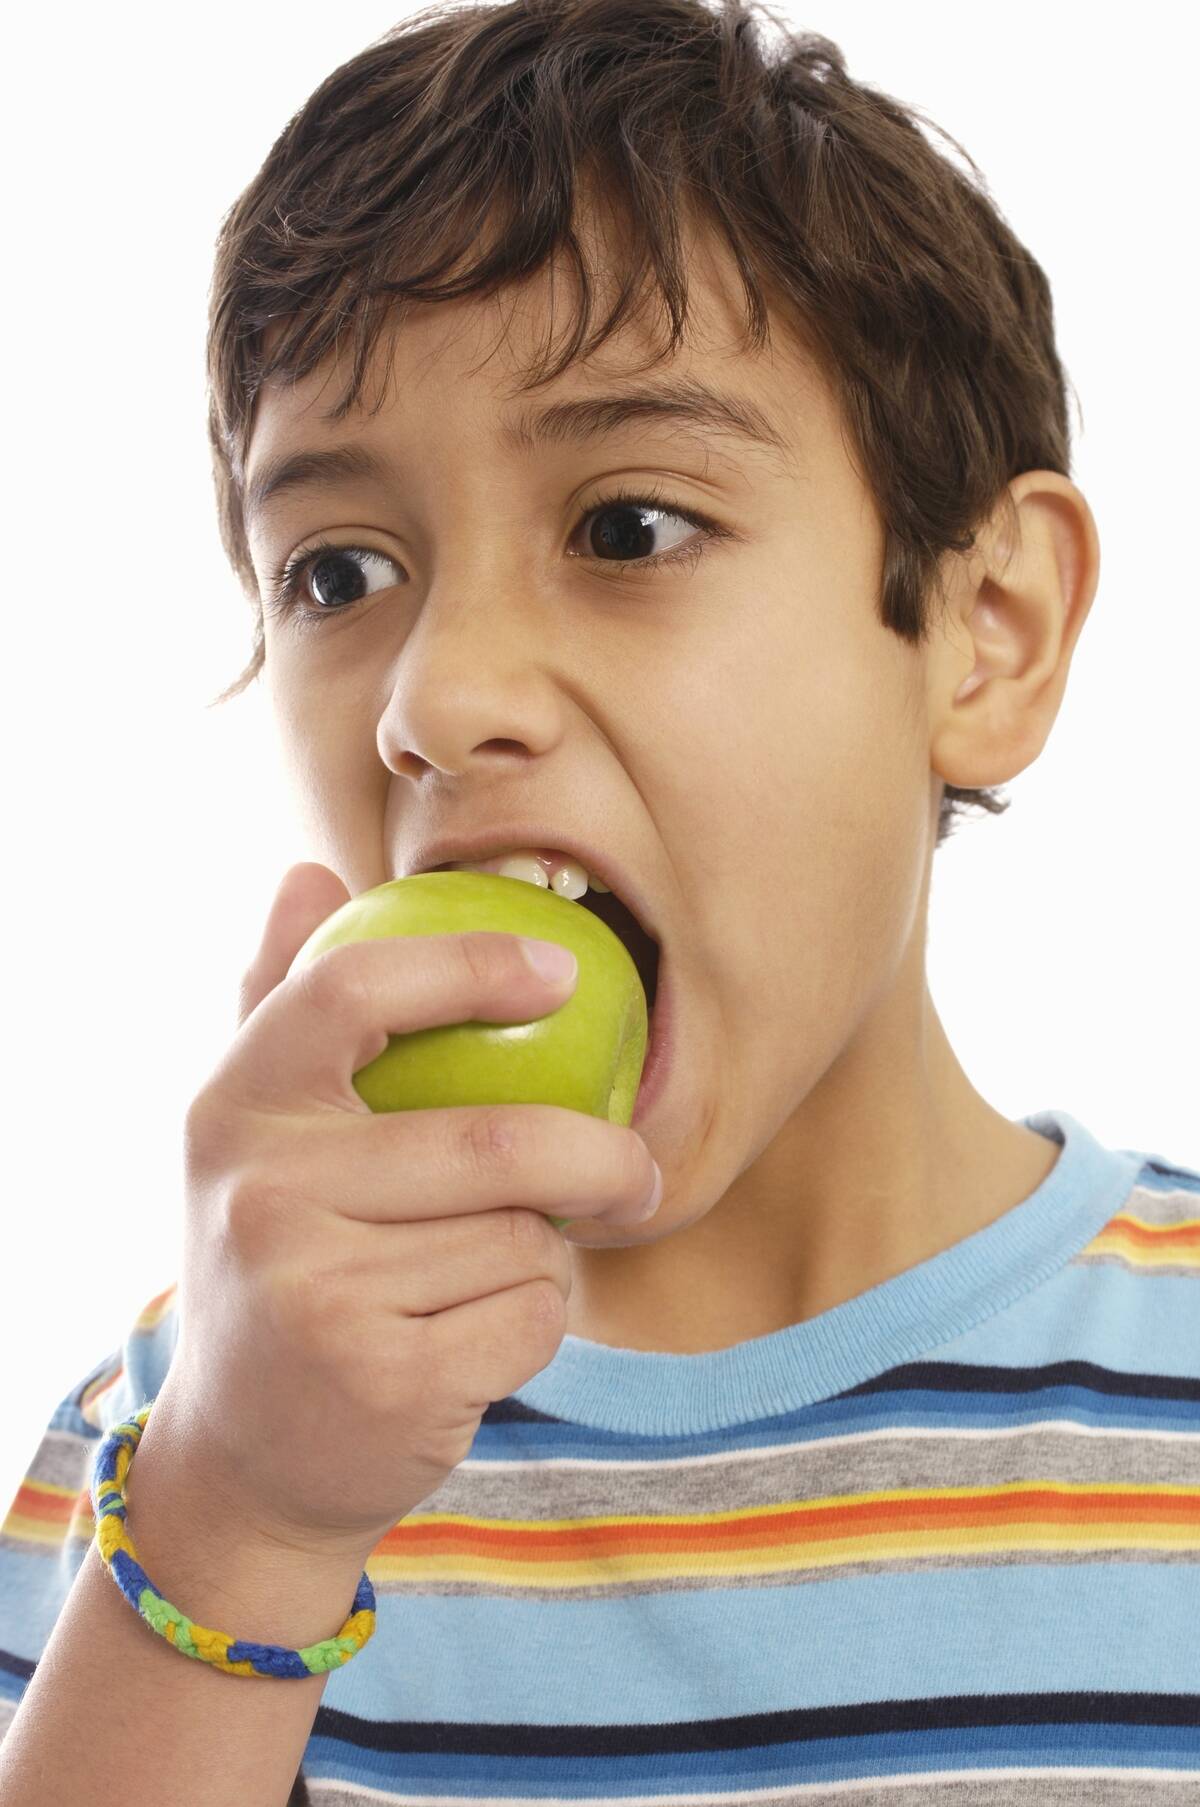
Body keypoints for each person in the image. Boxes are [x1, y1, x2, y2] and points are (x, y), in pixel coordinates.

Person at [1, 1, 1197, 1800]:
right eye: (338, 572)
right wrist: (244, 1528)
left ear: (987, 631)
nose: (435, 698)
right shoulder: (178, 1462)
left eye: (628, 528)